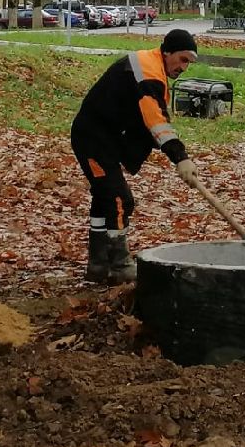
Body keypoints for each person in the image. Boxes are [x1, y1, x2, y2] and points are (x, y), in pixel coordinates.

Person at [70, 28, 201, 283]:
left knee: (105, 197)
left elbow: (157, 119)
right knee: (120, 199)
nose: (184, 67)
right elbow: (156, 121)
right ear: (167, 52)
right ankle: (119, 266)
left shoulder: (153, 69)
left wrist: (176, 154)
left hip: (104, 138)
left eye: (189, 63)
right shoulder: (148, 73)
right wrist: (181, 157)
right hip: (92, 140)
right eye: (183, 59)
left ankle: (98, 267)